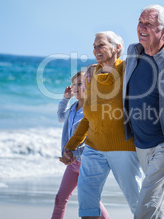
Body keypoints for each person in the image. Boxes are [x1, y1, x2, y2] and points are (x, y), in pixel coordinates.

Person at [63, 31, 143, 219]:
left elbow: (144, 56)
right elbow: (89, 116)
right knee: (87, 200)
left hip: (123, 147)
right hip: (93, 148)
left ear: (117, 48)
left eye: (101, 45)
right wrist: (71, 145)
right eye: (94, 46)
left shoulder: (127, 70)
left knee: (137, 199)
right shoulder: (92, 75)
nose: (96, 49)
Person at [123, 4, 164, 219]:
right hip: (140, 142)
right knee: (160, 203)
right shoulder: (133, 51)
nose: (141, 27)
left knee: (147, 204)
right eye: (140, 22)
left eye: (149, 24)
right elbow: (120, 73)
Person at [52, 71, 109, 219]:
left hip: (86, 163)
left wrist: (74, 154)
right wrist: (65, 99)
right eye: (74, 84)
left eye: (80, 84)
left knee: (92, 202)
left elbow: (93, 142)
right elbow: (60, 117)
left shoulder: (90, 111)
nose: (76, 87)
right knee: (60, 199)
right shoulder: (72, 108)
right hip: (72, 164)